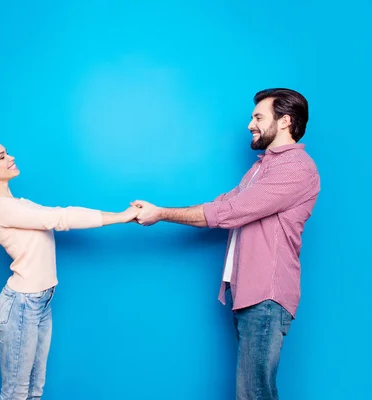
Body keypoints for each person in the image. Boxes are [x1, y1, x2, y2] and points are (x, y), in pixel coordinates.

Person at [132, 88, 320, 400]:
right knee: (253, 392)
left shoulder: (295, 169)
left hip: (267, 296)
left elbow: (227, 213)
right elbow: (222, 204)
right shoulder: (262, 167)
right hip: (248, 293)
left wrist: (161, 213)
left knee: (254, 393)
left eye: (258, 117)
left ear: (285, 121)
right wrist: (158, 211)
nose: (250, 124)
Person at [0, 138, 139, 400]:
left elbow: (53, 216)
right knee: (16, 394)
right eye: (1, 157)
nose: (10, 157)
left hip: (40, 302)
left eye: (7, 152)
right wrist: (120, 216)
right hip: (22, 306)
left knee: (35, 390)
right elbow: (60, 217)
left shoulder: (19, 204)